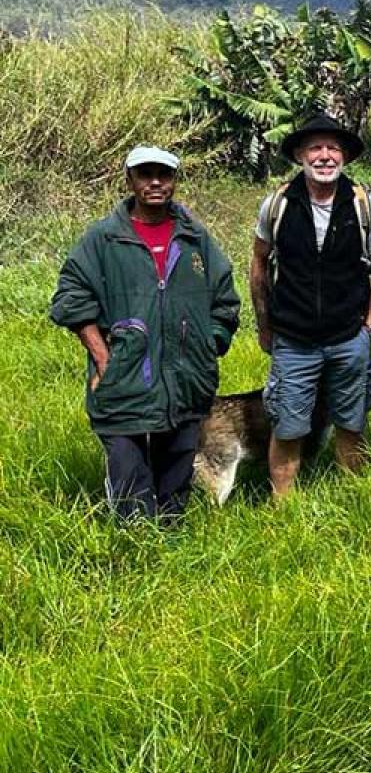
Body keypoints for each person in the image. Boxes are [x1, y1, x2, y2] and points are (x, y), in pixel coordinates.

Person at [50, 146, 240, 524]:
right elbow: (70, 297)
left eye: (164, 175)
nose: (155, 182)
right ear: (130, 180)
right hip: (124, 374)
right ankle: (133, 547)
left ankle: (169, 541)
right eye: (145, 174)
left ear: (174, 181)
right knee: (127, 471)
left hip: (187, 375)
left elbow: (225, 296)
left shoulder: (194, 238)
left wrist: (209, 342)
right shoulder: (104, 238)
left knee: (177, 468)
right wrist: (103, 357)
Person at [249, 114, 371, 498]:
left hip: (349, 336)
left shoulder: (363, 204)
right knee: (289, 426)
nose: (325, 156)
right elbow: (259, 263)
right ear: (300, 154)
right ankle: (283, 509)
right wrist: (265, 326)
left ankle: (354, 500)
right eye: (316, 148)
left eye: (333, 148)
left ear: (344, 156)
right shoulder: (279, 204)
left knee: (351, 422)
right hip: (293, 339)